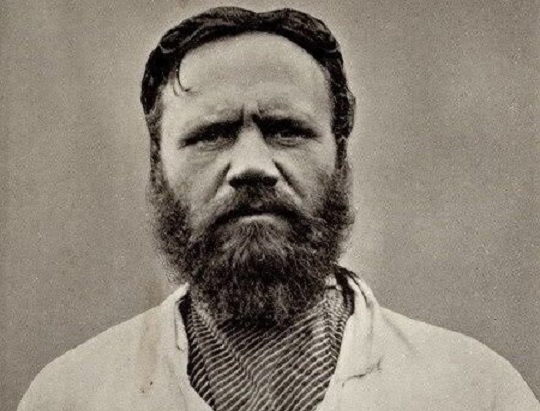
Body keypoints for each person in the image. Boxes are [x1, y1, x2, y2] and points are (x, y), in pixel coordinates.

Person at [18, 7, 539, 411]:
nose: (252, 166)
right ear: (158, 168)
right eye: (211, 134)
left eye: (286, 130)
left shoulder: (475, 392)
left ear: (340, 157)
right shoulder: (70, 397)